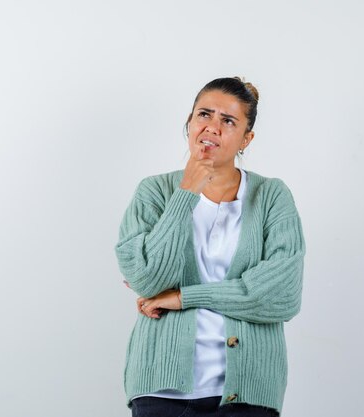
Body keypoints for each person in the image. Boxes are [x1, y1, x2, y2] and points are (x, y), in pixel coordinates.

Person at [114, 77, 306, 417]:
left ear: (247, 138)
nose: (212, 127)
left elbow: (281, 295)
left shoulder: (272, 197)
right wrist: (185, 193)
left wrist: (184, 297)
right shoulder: (154, 192)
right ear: (189, 123)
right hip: (162, 390)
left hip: (249, 389)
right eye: (204, 114)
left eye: (228, 120)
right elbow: (146, 279)